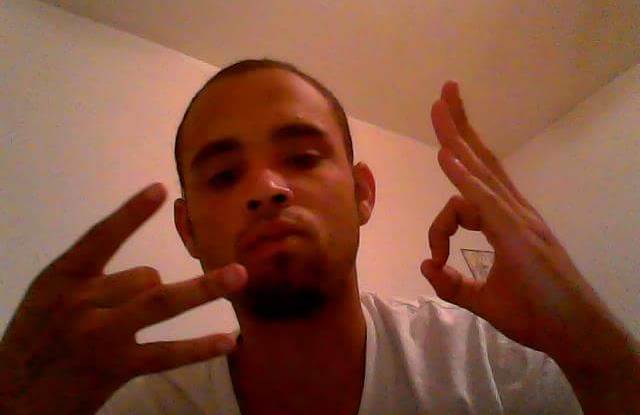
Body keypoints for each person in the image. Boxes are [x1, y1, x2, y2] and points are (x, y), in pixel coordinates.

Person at [0, 59, 638, 414]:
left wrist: (595, 349)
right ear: (189, 229)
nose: (266, 187)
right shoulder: (146, 408)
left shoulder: (488, 368)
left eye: (303, 158)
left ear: (362, 193)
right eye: (224, 175)